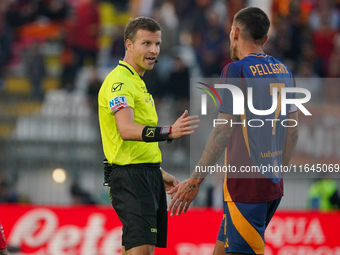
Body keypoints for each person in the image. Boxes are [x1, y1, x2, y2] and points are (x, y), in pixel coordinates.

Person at [168, 7, 299, 255]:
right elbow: (292, 133)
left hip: (246, 190)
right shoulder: (285, 72)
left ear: (235, 33)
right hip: (272, 187)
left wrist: (195, 181)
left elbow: (223, 132)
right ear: (265, 39)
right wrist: (276, 172)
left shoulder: (236, 70)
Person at [98, 16, 199, 255]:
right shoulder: (120, 83)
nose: (154, 50)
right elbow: (126, 130)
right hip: (132, 179)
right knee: (142, 250)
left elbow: (135, 144)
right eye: (146, 44)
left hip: (145, 174)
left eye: (157, 44)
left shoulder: (138, 82)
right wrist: (169, 132)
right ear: (129, 45)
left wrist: (158, 172)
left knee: (136, 248)